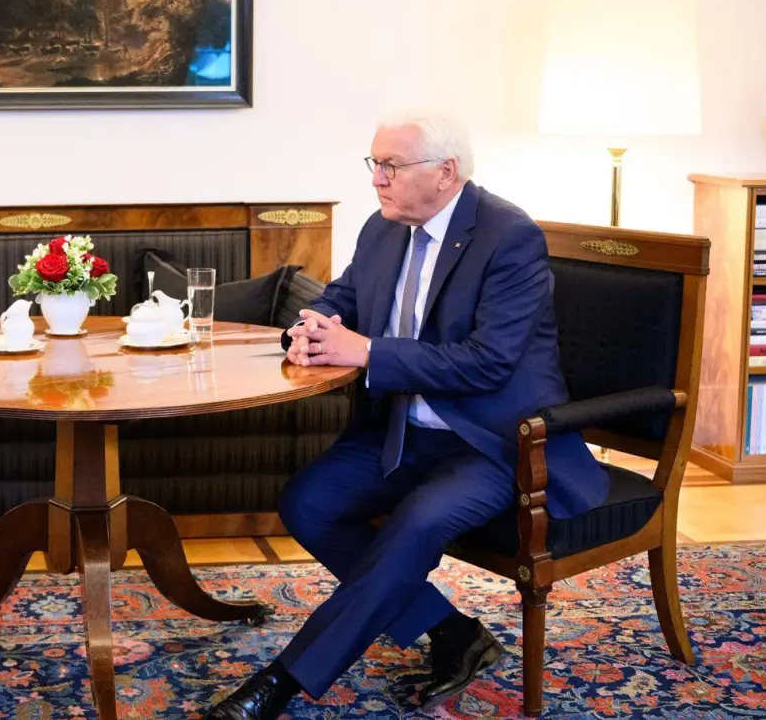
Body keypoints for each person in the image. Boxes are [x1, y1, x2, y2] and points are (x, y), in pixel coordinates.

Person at [205, 116, 609, 718]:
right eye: (374, 164)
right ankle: (452, 633)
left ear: (446, 173)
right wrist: (306, 331)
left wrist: (366, 351)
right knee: (307, 503)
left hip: (492, 441)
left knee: (415, 523)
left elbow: (488, 364)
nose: (378, 180)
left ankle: (281, 683)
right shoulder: (384, 228)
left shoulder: (509, 236)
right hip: (404, 429)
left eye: (391, 166)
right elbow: (337, 302)